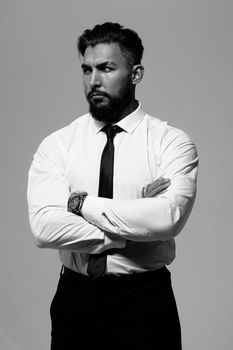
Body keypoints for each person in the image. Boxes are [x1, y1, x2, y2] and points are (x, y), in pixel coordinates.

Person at [27, 22, 198, 350]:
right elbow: (44, 229)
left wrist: (79, 205)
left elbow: (167, 219)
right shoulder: (58, 145)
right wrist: (131, 226)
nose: (93, 81)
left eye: (106, 68)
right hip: (75, 299)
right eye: (86, 69)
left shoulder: (171, 143)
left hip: (146, 299)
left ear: (135, 74)